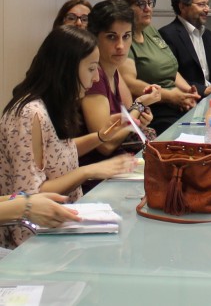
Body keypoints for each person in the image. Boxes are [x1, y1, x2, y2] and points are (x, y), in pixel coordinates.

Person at [0, 26, 136, 248]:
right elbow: (30, 196)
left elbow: (60, 150)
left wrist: (101, 136)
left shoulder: (51, 104)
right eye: (91, 69)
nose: (94, 79)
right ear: (67, 69)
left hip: (60, 226)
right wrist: (88, 171)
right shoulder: (29, 113)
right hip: (31, 242)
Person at [81, 0, 162, 192]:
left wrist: (141, 115)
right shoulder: (95, 76)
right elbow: (106, 143)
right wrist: (139, 107)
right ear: (94, 37)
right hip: (96, 181)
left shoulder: (113, 69)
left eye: (126, 37)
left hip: (119, 168)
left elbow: (129, 115)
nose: (120, 46)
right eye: (111, 37)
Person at [111, 0, 200, 134]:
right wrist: (170, 96)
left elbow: (171, 69)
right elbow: (130, 84)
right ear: (123, 8)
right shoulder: (123, 40)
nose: (148, 8)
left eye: (150, 3)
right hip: (152, 111)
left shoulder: (150, 31)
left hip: (175, 103)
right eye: (140, 4)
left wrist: (187, 93)